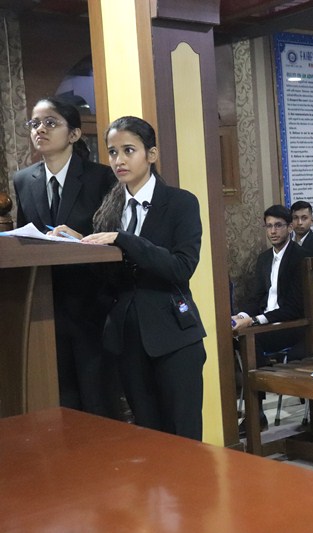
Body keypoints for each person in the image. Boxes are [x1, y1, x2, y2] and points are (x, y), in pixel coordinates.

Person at [83, 116, 207, 440]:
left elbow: (181, 267)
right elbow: (106, 278)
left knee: (183, 436)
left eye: (128, 150)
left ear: (151, 154)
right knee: (149, 437)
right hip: (127, 337)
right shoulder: (107, 209)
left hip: (174, 335)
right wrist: (78, 244)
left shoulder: (180, 202)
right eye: (112, 152)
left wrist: (125, 240)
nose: (119, 160)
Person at [12, 96, 119, 418]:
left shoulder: (101, 177)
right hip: (45, 306)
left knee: (98, 402)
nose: (40, 129)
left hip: (93, 303)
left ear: (73, 134)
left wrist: (80, 240)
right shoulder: (24, 180)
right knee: (60, 403)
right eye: (34, 123)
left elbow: (116, 240)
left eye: (50, 122)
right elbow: (25, 236)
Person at [232, 205, 311, 363]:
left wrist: (254, 320)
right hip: (265, 321)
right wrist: (241, 316)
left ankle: (261, 376)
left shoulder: (300, 257)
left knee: (248, 339)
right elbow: (256, 296)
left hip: (289, 324)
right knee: (228, 334)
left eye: (278, 225)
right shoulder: (264, 258)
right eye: (269, 226)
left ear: (290, 228)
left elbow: (294, 308)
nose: (273, 231)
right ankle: (257, 374)